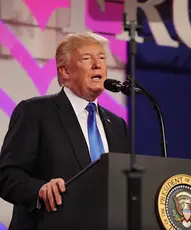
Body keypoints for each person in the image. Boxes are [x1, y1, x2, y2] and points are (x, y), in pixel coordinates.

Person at [0, 32, 129, 230]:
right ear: (65, 72)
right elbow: (7, 176)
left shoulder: (118, 125)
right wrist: (40, 189)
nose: (97, 64)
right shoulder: (35, 112)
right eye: (87, 59)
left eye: (102, 58)